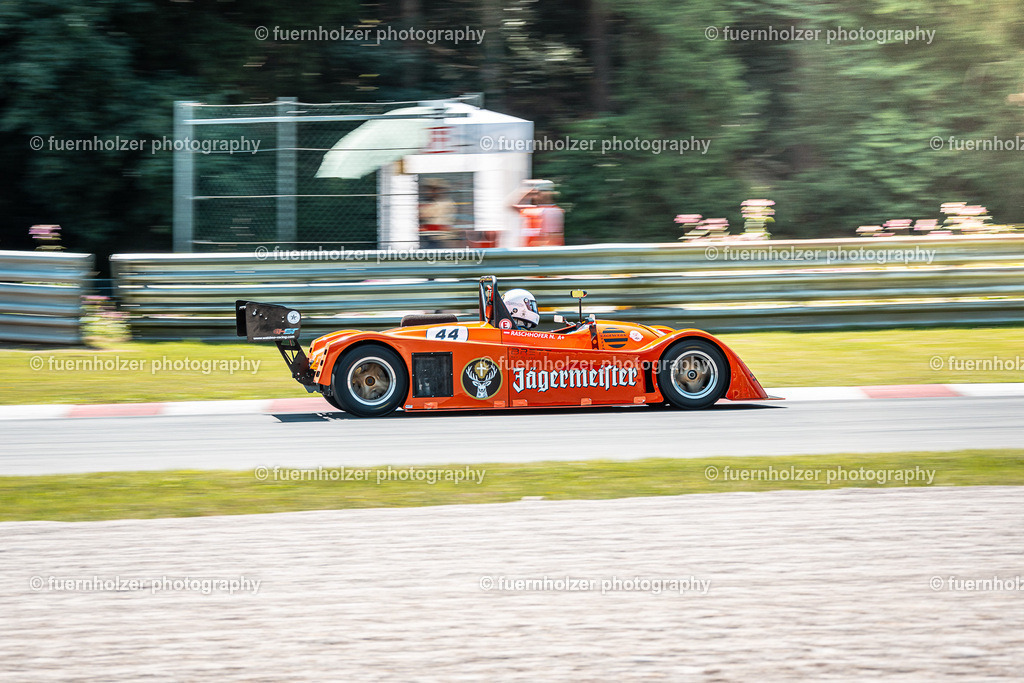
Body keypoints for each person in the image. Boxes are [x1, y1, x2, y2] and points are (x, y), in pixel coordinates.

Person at [509, 180, 564, 247]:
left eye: (539, 192)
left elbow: (551, 241)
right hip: (530, 253)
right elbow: (510, 206)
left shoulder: (552, 211)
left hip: (539, 254)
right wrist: (528, 192)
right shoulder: (531, 210)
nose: (536, 195)